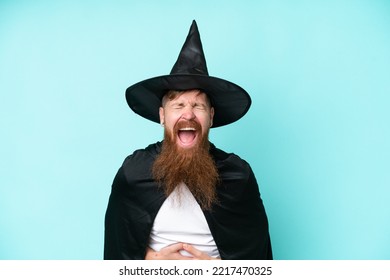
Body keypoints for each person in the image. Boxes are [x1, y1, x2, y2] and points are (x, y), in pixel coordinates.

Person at [104, 20, 272, 260]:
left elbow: (257, 259)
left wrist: (220, 269)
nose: (188, 114)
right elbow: (117, 250)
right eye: (178, 105)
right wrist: (151, 260)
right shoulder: (133, 172)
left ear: (211, 116)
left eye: (198, 106)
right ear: (162, 115)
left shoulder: (239, 175)